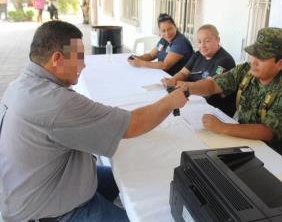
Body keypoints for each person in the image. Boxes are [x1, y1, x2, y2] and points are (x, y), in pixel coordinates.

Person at [0, 21, 188, 221]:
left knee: (130, 174)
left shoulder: (20, 84)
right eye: (79, 57)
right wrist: (169, 102)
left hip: (33, 186)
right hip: (48, 209)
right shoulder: (55, 102)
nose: (83, 64)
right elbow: (133, 124)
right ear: (57, 59)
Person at [177, 27, 282, 155]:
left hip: (267, 152)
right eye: (253, 54)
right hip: (240, 138)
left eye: (262, 58)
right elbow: (214, 85)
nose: (254, 62)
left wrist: (222, 127)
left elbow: (267, 132)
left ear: (281, 63)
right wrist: (188, 87)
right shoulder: (246, 70)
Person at [161, 24, 237, 117]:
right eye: (199, 42)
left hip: (214, 110)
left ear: (218, 40)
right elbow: (183, 73)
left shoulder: (224, 61)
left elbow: (208, 86)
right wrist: (173, 80)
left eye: (207, 41)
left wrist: (184, 86)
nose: (202, 45)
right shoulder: (198, 54)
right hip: (194, 99)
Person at [128, 13, 193, 76]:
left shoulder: (180, 42)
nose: (167, 34)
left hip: (176, 80)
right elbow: (151, 55)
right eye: (163, 31)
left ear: (175, 26)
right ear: (160, 31)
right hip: (162, 75)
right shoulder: (164, 39)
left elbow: (165, 65)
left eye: (170, 29)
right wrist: (137, 58)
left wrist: (141, 63)